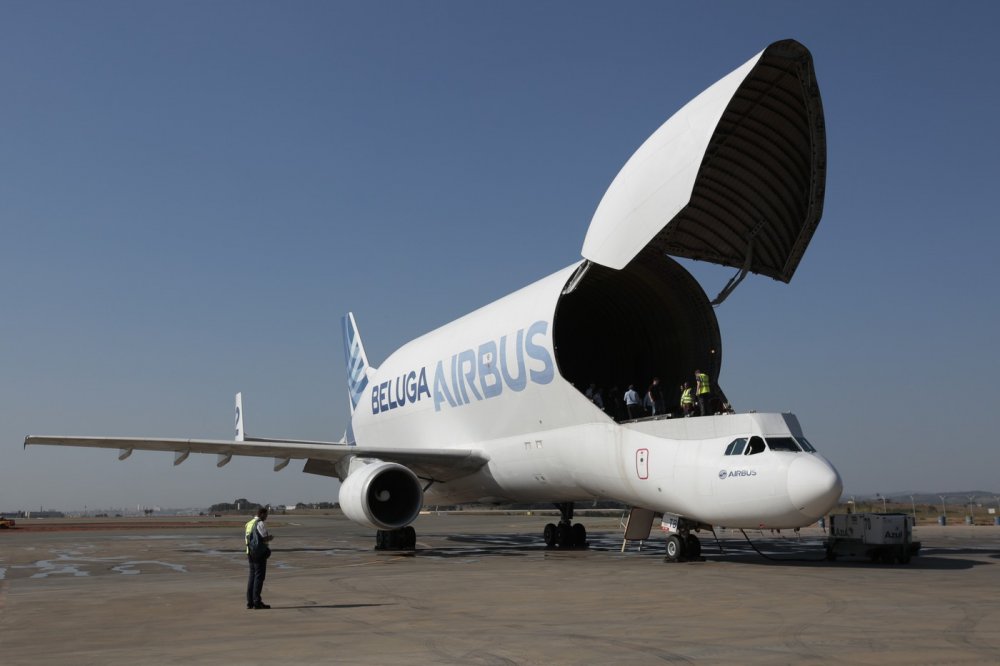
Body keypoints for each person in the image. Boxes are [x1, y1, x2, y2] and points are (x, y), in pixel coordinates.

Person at [245, 506, 274, 609]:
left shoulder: (249, 523)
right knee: (259, 577)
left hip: (250, 553)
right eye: (266, 515)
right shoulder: (259, 523)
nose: (266, 517)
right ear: (261, 514)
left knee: (252, 577)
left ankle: (250, 602)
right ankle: (257, 601)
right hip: (258, 554)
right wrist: (270, 538)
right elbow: (264, 537)